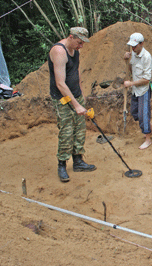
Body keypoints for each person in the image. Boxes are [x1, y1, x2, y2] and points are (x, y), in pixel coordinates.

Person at [48, 27, 96, 183]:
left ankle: (78, 161)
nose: (81, 46)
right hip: (63, 99)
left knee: (80, 129)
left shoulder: (76, 50)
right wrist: (76, 105)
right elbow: (60, 83)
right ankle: (62, 164)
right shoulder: (59, 51)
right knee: (67, 131)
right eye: (79, 42)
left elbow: (76, 72)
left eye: (82, 43)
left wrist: (81, 94)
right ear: (71, 37)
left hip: (76, 95)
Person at [124, 32, 152, 150]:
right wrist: (126, 60)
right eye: (131, 46)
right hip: (135, 90)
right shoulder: (132, 54)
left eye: (135, 46)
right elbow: (130, 69)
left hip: (143, 90)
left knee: (143, 115)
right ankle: (151, 127)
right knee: (134, 112)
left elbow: (146, 79)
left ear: (141, 44)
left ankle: (148, 139)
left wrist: (131, 83)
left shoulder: (147, 57)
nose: (133, 48)